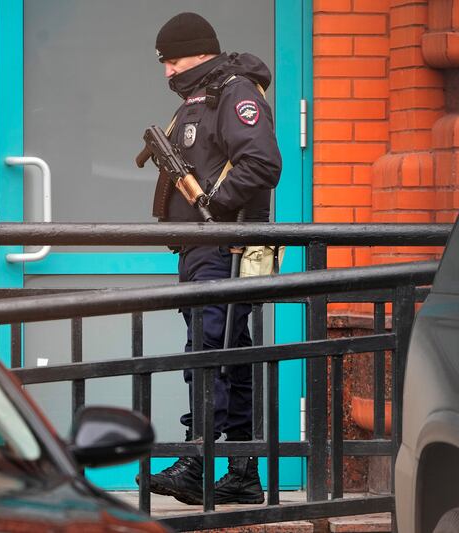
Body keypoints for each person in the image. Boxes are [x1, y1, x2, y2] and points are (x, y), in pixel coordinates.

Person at [144, 12, 281, 505]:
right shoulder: (198, 100)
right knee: (230, 353)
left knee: (210, 351)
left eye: (173, 59)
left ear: (201, 52)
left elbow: (262, 163)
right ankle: (242, 472)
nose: (167, 70)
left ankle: (197, 460)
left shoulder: (234, 92)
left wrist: (212, 210)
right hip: (205, 247)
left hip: (226, 245)